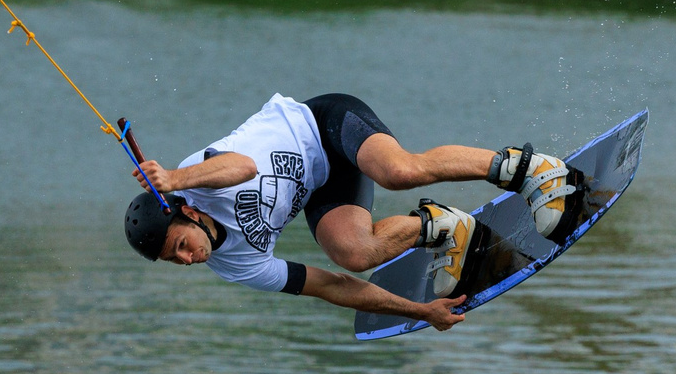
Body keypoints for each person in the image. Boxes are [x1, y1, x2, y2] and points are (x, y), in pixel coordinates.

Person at [121, 93, 575, 333]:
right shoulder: (235, 265)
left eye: (179, 245)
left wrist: (176, 180)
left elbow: (244, 166)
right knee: (353, 254)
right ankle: (441, 228)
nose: (186, 259)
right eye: (173, 260)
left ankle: (532, 170)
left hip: (322, 125)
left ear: (187, 214)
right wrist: (419, 310)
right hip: (324, 183)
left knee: (398, 170)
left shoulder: (194, 178)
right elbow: (331, 287)